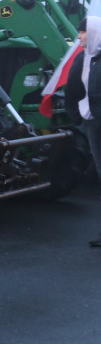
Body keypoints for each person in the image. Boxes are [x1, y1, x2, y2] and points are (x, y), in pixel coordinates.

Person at [64, 17, 101, 246]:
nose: (78, 36)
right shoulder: (83, 58)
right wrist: (80, 120)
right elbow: (73, 91)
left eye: (82, 32)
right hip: (93, 125)